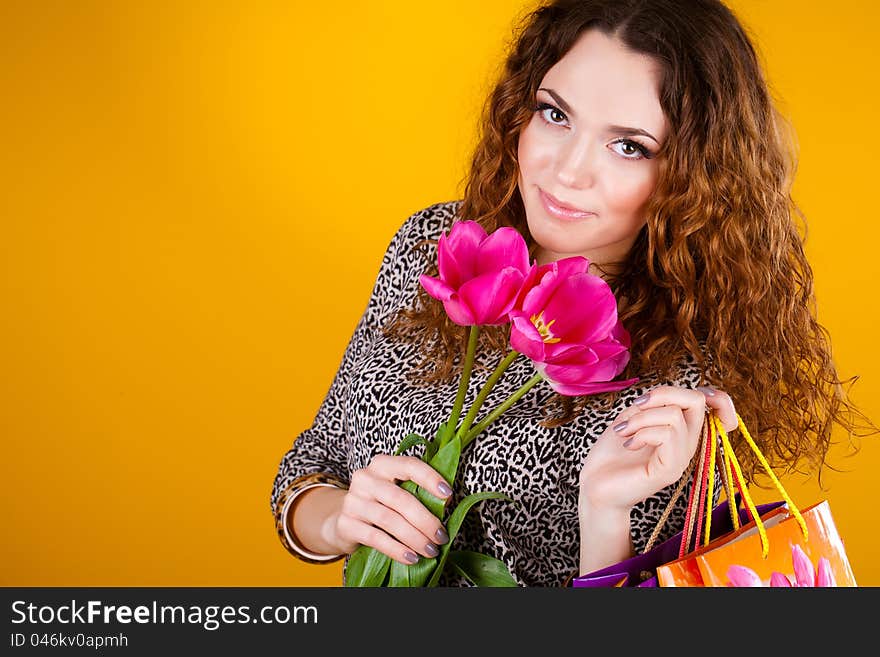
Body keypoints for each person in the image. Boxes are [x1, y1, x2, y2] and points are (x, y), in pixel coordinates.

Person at [270, 0, 876, 587]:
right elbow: (313, 461)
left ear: (693, 175)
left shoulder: (682, 375)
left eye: (629, 146)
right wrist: (341, 520)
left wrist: (604, 515)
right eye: (555, 115)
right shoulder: (437, 244)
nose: (567, 171)